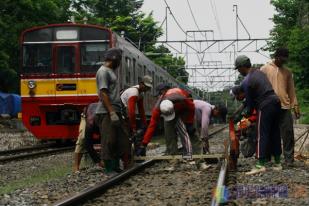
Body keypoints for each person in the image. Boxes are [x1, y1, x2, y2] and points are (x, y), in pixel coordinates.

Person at [234, 55, 282, 175]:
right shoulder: (259, 72)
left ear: (241, 67)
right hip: (276, 101)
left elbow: (250, 106)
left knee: (262, 133)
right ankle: (278, 163)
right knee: (275, 132)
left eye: (238, 69)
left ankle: (260, 164)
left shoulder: (246, 81)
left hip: (265, 105)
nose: (239, 72)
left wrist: (243, 117)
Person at [260, 48, 300, 166]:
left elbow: (291, 91)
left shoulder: (287, 72)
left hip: (284, 106)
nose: (283, 62)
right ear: (276, 57)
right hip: (268, 106)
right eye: (282, 59)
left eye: (285, 60)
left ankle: (289, 159)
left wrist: (295, 106)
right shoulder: (265, 69)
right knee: (269, 132)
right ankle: (267, 157)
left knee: (288, 133)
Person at [95, 48, 131, 173]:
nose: (120, 64)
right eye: (120, 60)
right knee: (109, 140)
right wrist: (111, 111)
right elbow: (103, 92)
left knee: (121, 140)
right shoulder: (103, 71)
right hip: (106, 112)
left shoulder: (110, 71)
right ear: (115, 58)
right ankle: (109, 169)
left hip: (115, 110)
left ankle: (116, 166)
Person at [136, 87, 195, 157]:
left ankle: (188, 154)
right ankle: (172, 155)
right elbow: (151, 126)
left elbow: (192, 107)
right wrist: (144, 144)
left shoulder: (182, 99)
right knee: (168, 133)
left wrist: (189, 122)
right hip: (172, 109)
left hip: (182, 110)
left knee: (183, 131)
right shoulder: (157, 109)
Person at [120, 75, 153, 149]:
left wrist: (145, 124)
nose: (147, 89)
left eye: (148, 87)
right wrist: (133, 127)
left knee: (137, 132)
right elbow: (131, 111)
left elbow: (141, 110)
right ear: (141, 83)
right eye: (146, 86)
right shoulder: (134, 92)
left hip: (126, 111)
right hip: (122, 111)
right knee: (130, 133)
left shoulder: (140, 94)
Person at [73, 103, 103, 172]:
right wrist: (98, 161)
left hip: (99, 116)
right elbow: (87, 143)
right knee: (82, 138)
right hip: (87, 116)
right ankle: (76, 167)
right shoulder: (90, 122)